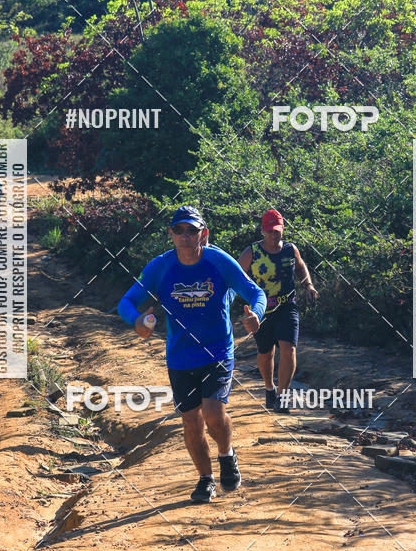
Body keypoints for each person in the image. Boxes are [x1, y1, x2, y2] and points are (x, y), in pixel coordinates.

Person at [117, 206, 266, 504]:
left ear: (204, 234)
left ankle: (227, 454)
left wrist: (256, 316)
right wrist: (136, 321)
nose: (186, 236)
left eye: (192, 231)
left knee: (212, 411)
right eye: (179, 231)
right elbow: (127, 301)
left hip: (218, 350)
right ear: (171, 235)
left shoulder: (218, 261)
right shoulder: (161, 267)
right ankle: (205, 479)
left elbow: (255, 293)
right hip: (180, 356)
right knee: (191, 421)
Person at [238, 209, 318, 414]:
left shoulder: (291, 250)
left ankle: (283, 396)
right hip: (262, 311)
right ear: (263, 231)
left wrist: (308, 285)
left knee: (288, 348)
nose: (275, 235)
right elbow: (235, 276)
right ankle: (269, 389)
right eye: (271, 231)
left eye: (278, 231)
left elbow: (300, 268)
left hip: (287, 306)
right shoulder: (252, 252)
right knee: (266, 353)